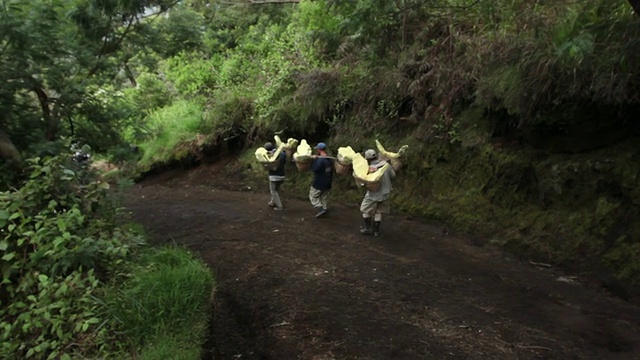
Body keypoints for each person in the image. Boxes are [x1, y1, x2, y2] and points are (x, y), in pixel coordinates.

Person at [360, 148, 395, 237]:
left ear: (367, 159)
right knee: (378, 211)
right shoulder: (386, 165)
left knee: (365, 210)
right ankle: (376, 231)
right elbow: (393, 175)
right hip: (385, 192)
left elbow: (362, 182)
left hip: (373, 194)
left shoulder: (369, 168)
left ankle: (368, 228)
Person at [309, 142, 334, 218]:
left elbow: (314, 169)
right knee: (324, 196)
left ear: (319, 150)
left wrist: (313, 160)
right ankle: (325, 208)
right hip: (328, 181)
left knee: (313, 196)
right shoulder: (329, 159)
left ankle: (320, 209)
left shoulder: (320, 160)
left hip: (319, 182)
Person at [265, 142, 287, 211]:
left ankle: (279, 206)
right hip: (282, 175)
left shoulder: (268, 155)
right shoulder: (281, 153)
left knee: (274, 191)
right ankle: (272, 202)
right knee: (276, 190)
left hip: (274, 176)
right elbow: (284, 160)